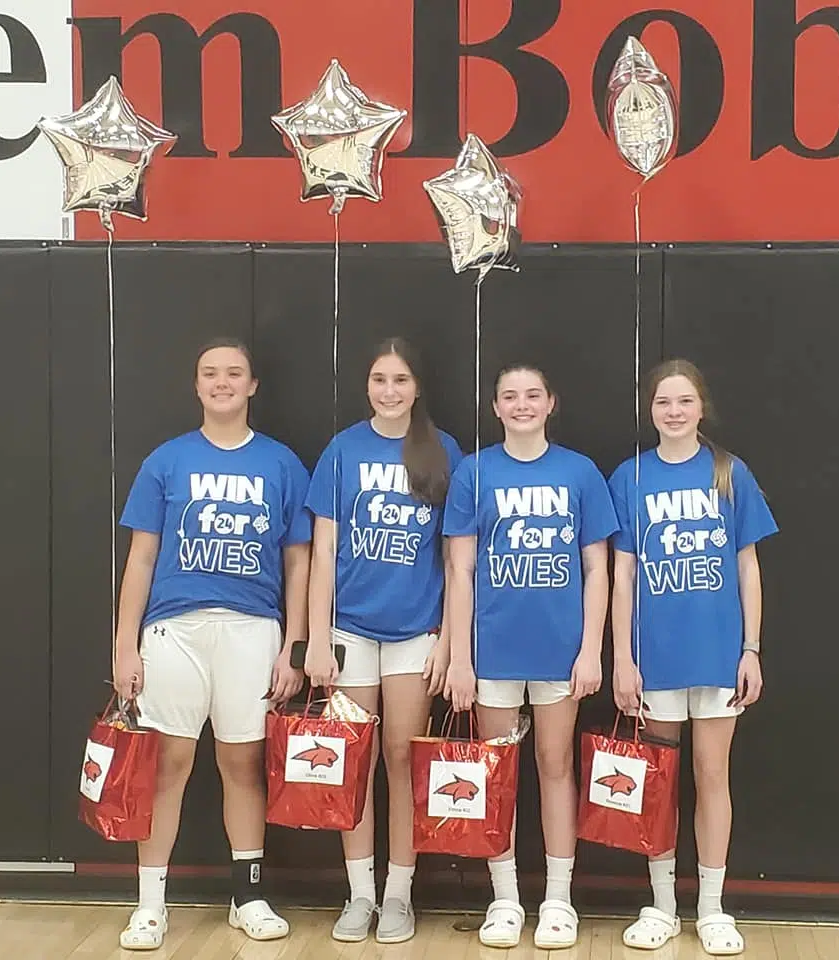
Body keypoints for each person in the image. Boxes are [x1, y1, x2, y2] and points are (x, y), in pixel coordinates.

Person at [112, 338, 312, 950]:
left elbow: (299, 562)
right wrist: (124, 646)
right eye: (210, 373)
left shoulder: (281, 463)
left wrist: (294, 644)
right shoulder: (167, 460)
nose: (222, 382)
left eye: (234, 373)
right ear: (197, 385)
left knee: (243, 763)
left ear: (252, 386)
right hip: (175, 630)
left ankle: (247, 896)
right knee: (168, 763)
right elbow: (141, 558)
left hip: (252, 629)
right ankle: (150, 905)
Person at [444, 363, 619, 951]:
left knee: (555, 764)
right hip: (493, 650)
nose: (522, 404)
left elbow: (598, 569)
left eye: (532, 395)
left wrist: (591, 649)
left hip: (560, 651)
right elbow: (461, 570)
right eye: (510, 396)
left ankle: (558, 900)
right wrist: (460, 657)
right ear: (495, 407)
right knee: (495, 773)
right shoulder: (474, 472)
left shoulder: (580, 472)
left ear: (550, 403)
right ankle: (504, 899)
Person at [608, 359, 778, 956]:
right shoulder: (630, 476)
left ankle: (711, 907)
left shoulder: (729, 472)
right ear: (649, 410)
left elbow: (747, 568)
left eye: (684, 401)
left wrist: (751, 649)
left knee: (712, 776)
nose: (674, 411)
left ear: (701, 406)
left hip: (717, 654)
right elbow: (622, 576)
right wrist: (623, 658)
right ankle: (661, 904)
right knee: (657, 783)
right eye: (663, 402)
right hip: (655, 657)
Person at [303, 337, 462, 944]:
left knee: (401, 757)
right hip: (349, 630)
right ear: (366, 385)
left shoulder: (443, 450)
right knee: (353, 761)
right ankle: (360, 894)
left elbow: (457, 558)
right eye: (379, 380)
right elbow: (322, 552)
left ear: (417, 387)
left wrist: (448, 640)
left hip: (415, 632)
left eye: (400, 380)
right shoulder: (343, 450)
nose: (389, 391)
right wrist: (317, 638)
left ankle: (398, 894)